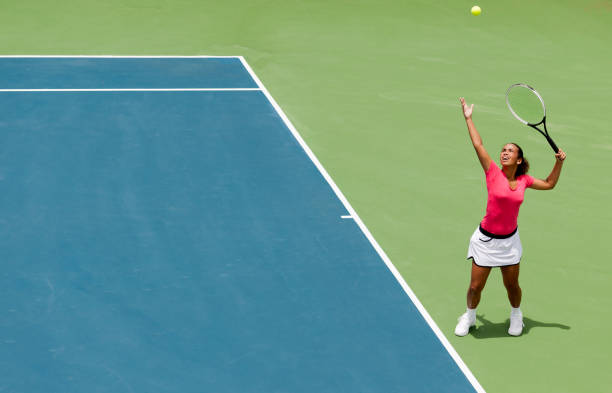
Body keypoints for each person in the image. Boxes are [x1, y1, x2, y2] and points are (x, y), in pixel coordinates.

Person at [455, 97, 566, 337]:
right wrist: (468, 118)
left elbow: (549, 184)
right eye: (503, 150)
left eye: (510, 151)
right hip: (485, 240)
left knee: (512, 286)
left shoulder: (525, 181)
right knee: (475, 287)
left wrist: (559, 163)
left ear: (518, 159)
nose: (504, 153)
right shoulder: (492, 172)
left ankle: (517, 315)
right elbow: (478, 145)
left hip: (509, 242)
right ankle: (470, 316)